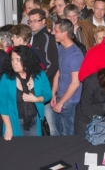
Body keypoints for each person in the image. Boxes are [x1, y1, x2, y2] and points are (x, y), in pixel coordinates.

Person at [0, 46, 52, 140]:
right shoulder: (7, 77)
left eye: (17, 60)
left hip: (35, 121)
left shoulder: (40, 75)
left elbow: (48, 94)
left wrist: (36, 99)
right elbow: (2, 104)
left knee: (35, 152)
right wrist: (8, 128)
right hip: (14, 122)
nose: (14, 63)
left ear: (26, 60)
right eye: (12, 60)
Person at [28, 8, 59, 136]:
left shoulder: (46, 38)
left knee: (50, 123)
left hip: (45, 88)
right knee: (42, 122)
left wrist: (39, 81)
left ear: (43, 21)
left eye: (36, 21)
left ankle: (58, 149)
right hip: (36, 86)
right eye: (30, 21)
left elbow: (53, 64)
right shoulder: (33, 37)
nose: (32, 24)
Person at [51, 19, 84, 136]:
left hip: (70, 102)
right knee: (58, 131)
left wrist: (61, 102)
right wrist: (53, 93)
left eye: (56, 31)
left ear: (64, 33)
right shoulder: (61, 48)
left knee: (68, 134)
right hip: (60, 97)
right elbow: (59, 71)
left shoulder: (75, 55)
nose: (53, 33)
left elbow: (75, 83)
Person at [74, 65, 105, 138]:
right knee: (82, 142)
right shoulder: (91, 82)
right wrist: (98, 121)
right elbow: (85, 106)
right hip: (85, 117)